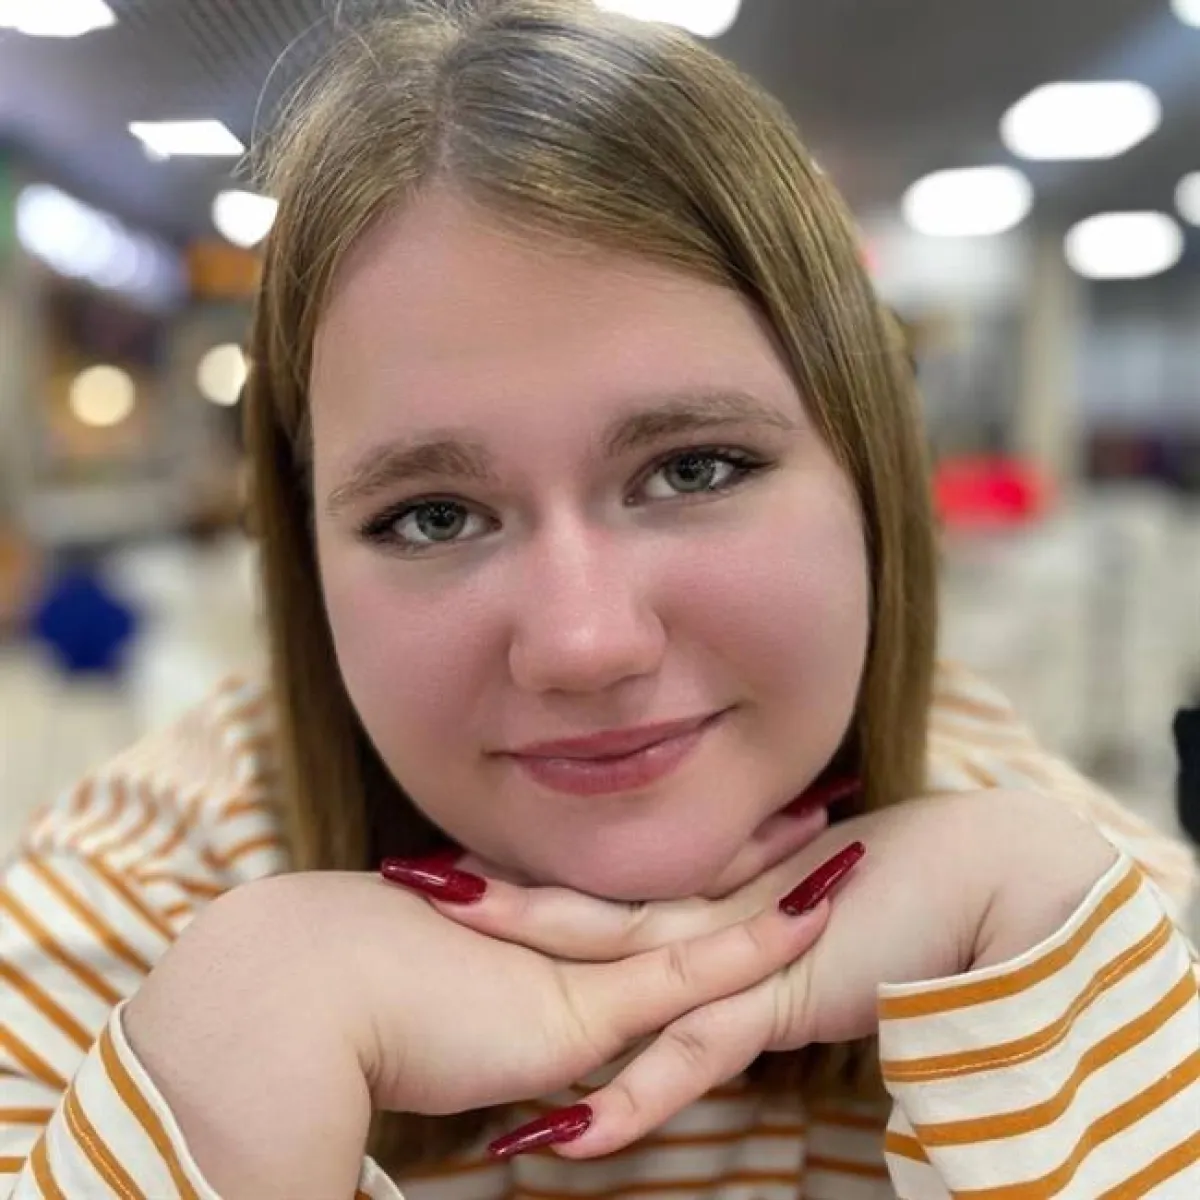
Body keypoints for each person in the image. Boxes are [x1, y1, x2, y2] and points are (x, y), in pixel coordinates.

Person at [2, 2, 1198, 1196]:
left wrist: (1059, 1021)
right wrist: (222, 1101)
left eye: (694, 469)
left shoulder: (1072, 907)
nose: (584, 643)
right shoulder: (132, 913)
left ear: (871, 486)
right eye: (433, 515)